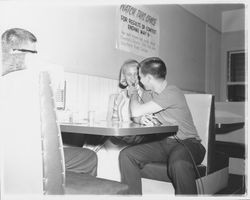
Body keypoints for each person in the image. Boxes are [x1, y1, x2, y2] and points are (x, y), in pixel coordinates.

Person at [1, 28, 97, 176]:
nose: (34, 56)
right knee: (88, 157)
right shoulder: (24, 79)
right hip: (24, 159)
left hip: (14, 158)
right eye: (32, 53)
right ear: (15, 52)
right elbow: (56, 71)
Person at [119, 57, 206, 194]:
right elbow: (135, 116)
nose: (139, 81)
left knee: (178, 163)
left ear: (148, 78)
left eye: (140, 77)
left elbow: (135, 109)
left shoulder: (172, 92)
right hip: (163, 144)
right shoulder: (149, 94)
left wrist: (133, 92)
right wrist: (142, 120)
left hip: (189, 144)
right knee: (127, 155)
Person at [106, 59, 145, 145]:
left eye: (136, 74)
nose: (133, 78)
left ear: (140, 76)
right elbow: (114, 120)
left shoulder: (145, 94)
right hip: (121, 135)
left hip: (139, 135)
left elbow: (146, 121)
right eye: (129, 74)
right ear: (124, 77)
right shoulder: (120, 96)